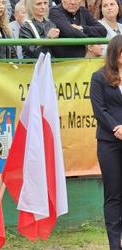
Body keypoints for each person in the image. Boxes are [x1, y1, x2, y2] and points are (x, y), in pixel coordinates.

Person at [90, 34, 122, 250]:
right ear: (115, 53)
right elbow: (98, 109)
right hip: (109, 142)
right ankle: (114, 245)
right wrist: (116, 128)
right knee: (114, 194)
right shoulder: (99, 77)